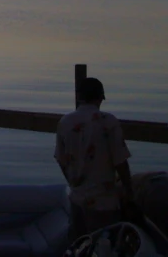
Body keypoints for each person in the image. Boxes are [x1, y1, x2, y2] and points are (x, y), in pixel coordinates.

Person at [54, 77, 134, 240]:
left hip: (77, 199)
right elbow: (120, 162)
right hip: (104, 203)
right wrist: (129, 190)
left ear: (79, 97)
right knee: (103, 246)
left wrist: (72, 181)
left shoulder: (65, 122)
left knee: (79, 244)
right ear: (100, 98)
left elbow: (60, 159)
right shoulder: (108, 122)